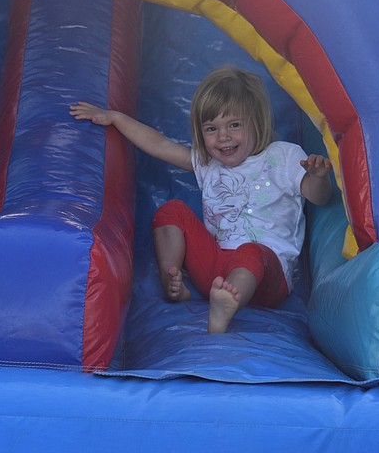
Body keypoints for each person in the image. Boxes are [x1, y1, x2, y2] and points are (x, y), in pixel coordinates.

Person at [69, 66, 332, 333]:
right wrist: (115, 118)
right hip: (215, 271)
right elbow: (160, 145)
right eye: (211, 128)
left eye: (234, 125)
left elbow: (318, 197)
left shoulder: (283, 156)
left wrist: (318, 178)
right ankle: (172, 278)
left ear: (258, 121)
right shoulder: (208, 163)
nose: (223, 137)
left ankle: (227, 306)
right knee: (172, 211)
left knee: (251, 252)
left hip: (266, 277)